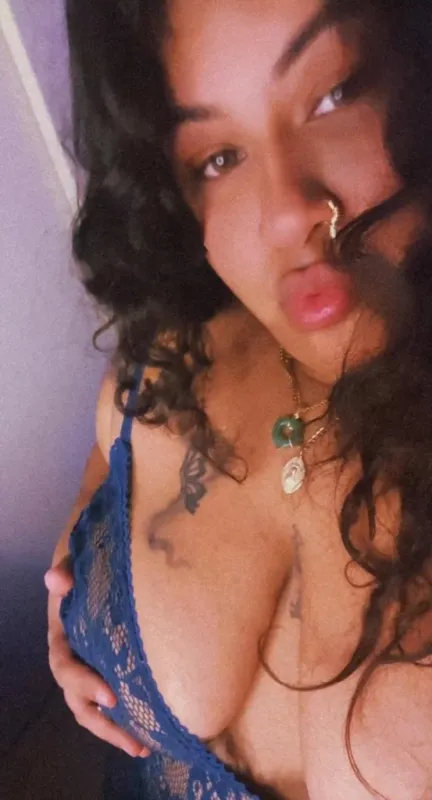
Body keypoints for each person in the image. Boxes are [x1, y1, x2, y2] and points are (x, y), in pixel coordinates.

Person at [45, 0, 432, 797]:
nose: (287, 215)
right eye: (218, 157)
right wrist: (80, 577)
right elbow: (111, 455)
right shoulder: (186, 337)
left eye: (335, 95)